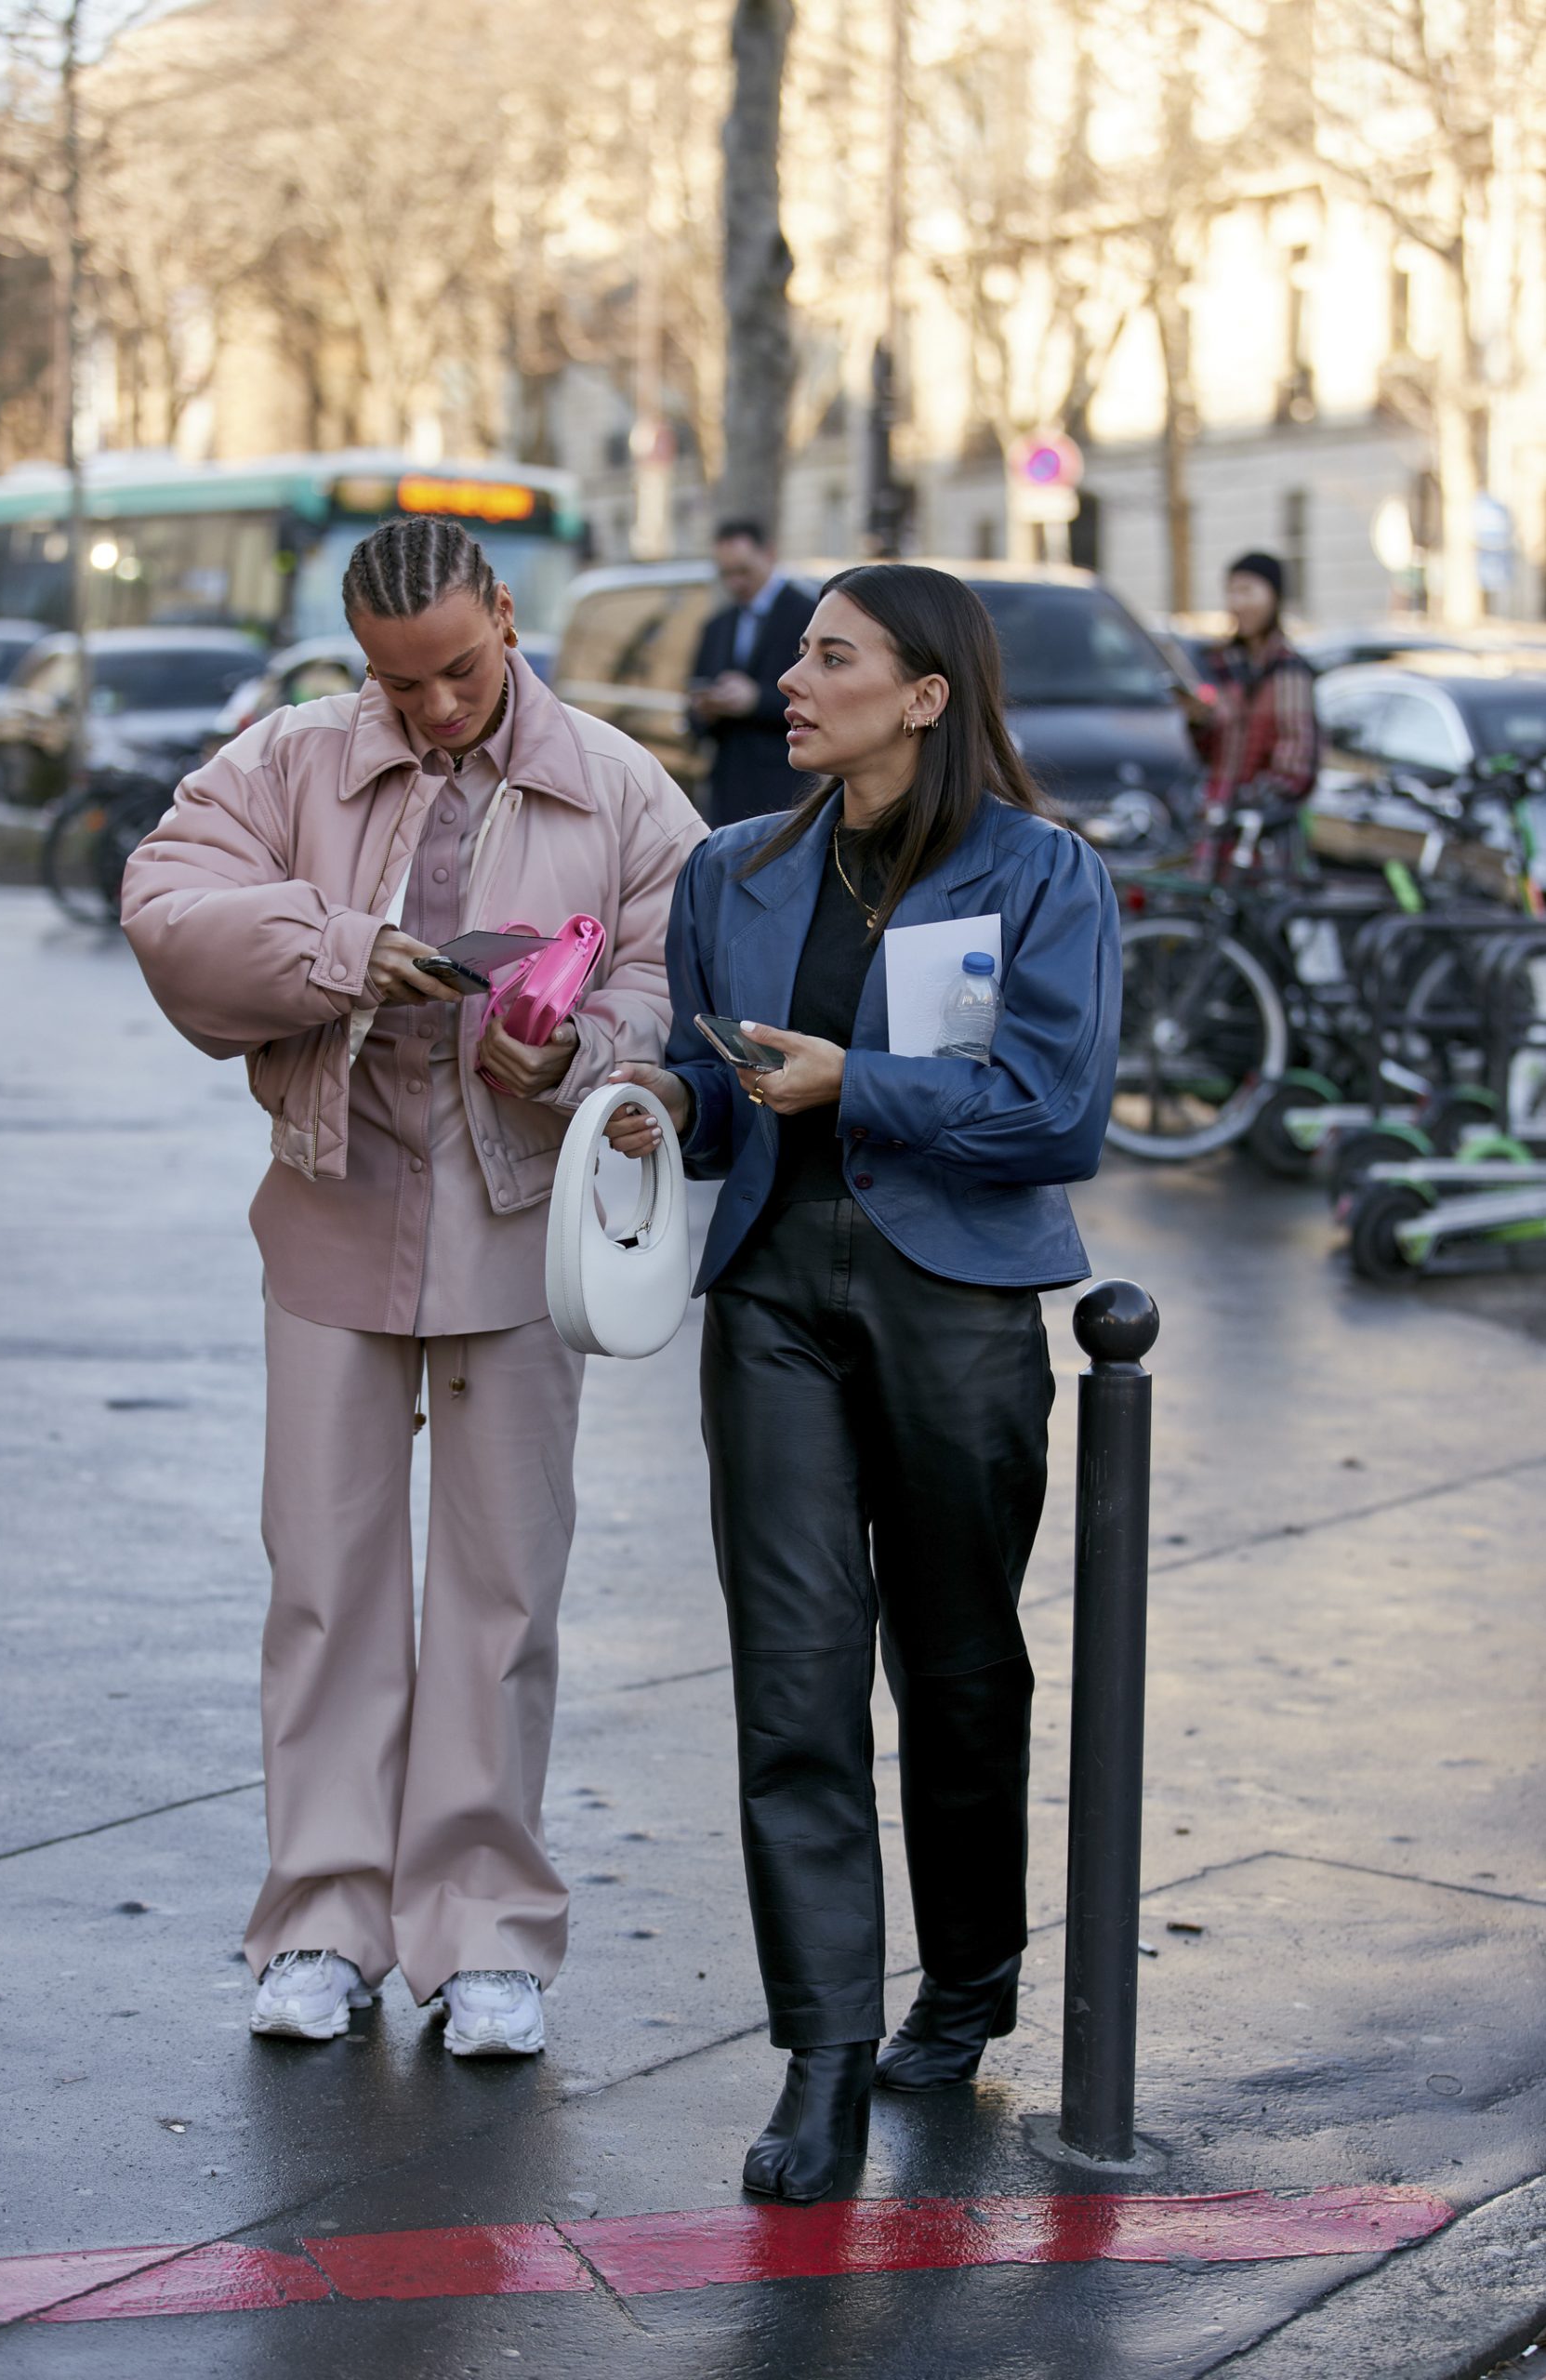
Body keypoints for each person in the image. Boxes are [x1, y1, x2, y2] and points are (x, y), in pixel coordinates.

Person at [122, 516, 706, 2057]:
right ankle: (319, 1922)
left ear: (508, 617)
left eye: (456, 671)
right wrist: (337, 947)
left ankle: (486, 1936)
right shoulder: (290, 757)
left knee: (501, 1597)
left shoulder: (623, 785)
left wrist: (571, 1049)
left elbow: (673, 982)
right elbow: (166, 908)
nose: (433, 710)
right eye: (397, 687)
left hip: (523, 1234)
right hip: (332, 1216)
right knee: (322, 1592)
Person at [606, 564, 1120, 2201]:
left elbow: (1054, 1112)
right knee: (794, 1678)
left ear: (925, 695)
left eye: (832, 657)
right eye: (800, 654)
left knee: (959, 1669)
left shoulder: (1042, 875)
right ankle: (820, 2054)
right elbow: (708, 1070)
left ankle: (962, 1986)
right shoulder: (732, 870)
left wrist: (860, 1085)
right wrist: (656, 1101)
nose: (790, 683)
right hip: (769, 1292)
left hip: (954, 1299)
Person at [687, 520, 813, 828]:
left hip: (786, 789)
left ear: (769, 554)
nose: (735, 583)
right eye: (726, 574)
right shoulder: (717, 626)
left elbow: (824, 700)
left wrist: (755, 700)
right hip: (728, 790)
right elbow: (693, 712)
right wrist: (706, 709)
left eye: (743, 571)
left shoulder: (809, 613)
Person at [1188, 550, 1318, 839]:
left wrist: (1246, 802)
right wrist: (1197, 721)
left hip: (1265, 833)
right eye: (1232, 592)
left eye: (1248, 591)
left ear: (1274, 596)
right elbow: (1209, 754)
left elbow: (1296, 764)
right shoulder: (1221, 665)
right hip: (1215, 825)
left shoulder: (1289, 671)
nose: (1238, 604)